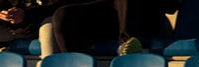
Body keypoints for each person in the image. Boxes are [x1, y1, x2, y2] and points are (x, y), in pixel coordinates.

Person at [52, 0, 180, 55]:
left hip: (145, 19)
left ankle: (127, 46)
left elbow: (171, 6)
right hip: (111, 16)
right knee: (62, 16)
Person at [0, 0, 76, 56]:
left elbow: (61, 7)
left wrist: (26, 15)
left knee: (50, 24)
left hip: (44, 23)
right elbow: (4, 1)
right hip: (16, 25)